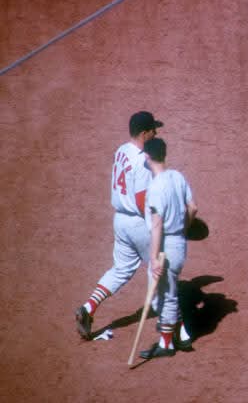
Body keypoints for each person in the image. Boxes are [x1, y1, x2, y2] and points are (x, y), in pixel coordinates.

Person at [75, 111, 163, 340]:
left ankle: (89, 307)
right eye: (153, 130)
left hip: (120, 221)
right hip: (137, 222)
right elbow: (143, 200)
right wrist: (155, 230)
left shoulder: (121, 151)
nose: (157, 133)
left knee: (121, 269)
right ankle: (170, 325)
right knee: (159, 266)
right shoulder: (142, 161)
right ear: (144, 134)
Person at [139, 137, 198, 359]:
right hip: (179, 242)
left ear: (147, 157)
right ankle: (181, 336)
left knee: (165, 296)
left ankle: (166, 344)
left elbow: (156, 226)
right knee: (164, 292)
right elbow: (192, 208)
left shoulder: (155, 188)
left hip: (165, 246)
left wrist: (154, 258)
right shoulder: (178, 176)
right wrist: (184, 229)